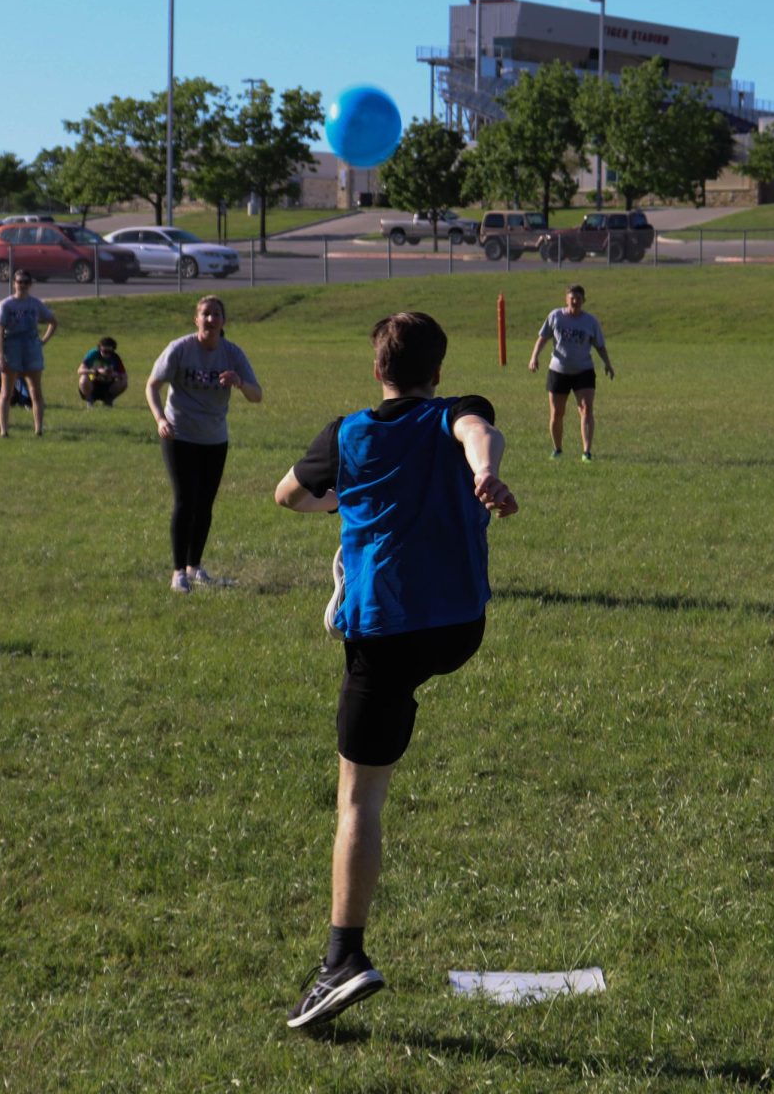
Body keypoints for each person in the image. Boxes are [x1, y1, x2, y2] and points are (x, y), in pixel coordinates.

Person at [274, 311, 518, 1029]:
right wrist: (485, 476)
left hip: (388, 634)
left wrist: (348, 499)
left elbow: (287, 493)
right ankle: (352, 573)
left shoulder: (346, 432)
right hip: (458, 628)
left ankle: (341, 960)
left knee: (359, 801)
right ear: (437, 372)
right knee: (396, 677)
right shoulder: (456, 411)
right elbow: (478, 431)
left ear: (376, 370)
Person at [145, 296, 262, 594]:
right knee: (185, 501)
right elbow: (152, 385)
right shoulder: (180, 349)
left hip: (214, 438)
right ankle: (177, 573)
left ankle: (194, 567)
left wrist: (239, 382)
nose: (210, 320)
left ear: (224, 322)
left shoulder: (232, 353)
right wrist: (160, 419)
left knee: (205, 504)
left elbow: (256, 395)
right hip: (179, 435)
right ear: (196, 320)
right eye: (205, 315)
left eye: (216, 315)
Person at [528, 283, 615, 462]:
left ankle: (587, 452)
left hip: (584, 370)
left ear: (584, 300)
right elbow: (543, 338)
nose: (575, 301)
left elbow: (600, 346)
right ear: (566, 299)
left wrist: (608, 364)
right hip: (559, 370)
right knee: (557, 412)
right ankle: (557, 449)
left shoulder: (590, 321)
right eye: (571, 297)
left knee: (586, 409)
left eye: (578, 298)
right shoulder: (555, 316)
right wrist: (534, 357)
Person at [0, 269, 57, 437]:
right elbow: (0, 331)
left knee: (35, 391)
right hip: (12, 347)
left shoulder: (35, 304)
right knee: (6, 392)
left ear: (30, 285)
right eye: (19, 282)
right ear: (14, 283)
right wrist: (1, 355)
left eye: (25, 282)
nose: (21, 285)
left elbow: (53, 322)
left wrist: (43, 341)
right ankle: (4, 430)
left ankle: (38, 429)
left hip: (31, 348)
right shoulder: (6, 305)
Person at [77, 337, 128, 408]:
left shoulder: (115, 357)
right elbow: (80, 370)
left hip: (108, 385)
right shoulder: (93, 354)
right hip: (92, 383)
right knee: (83, 378)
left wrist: (112, 374)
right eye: (104, 351)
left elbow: (124, 376)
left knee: (123, 382)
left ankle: (108, 400)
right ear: (99, 349)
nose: (107, 354)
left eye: (109, 352)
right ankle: (90, 400)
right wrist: (96, 371)